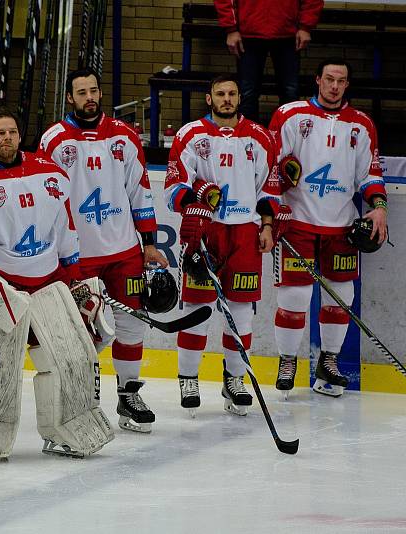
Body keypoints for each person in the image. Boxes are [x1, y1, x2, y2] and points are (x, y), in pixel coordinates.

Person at [0, 108, 114, 460]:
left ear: (19, 135)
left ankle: (65, 429)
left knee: (73, 357)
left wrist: (76, 279)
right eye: (0, 133)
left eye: (12, 132)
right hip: (1, 291)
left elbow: (64, 229)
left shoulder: (50, 173)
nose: (6, 138)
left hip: (48, 282)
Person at [39, 67, 168, 434]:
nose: (89, 97)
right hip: (78, 257)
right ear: (69, 98)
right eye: (81, 92)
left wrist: (149, 244)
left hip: (124, 252)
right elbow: (46, 199)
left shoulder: (124, 137)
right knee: (81, 332)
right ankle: (82, 402)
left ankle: (128, 394)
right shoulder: (54, 140)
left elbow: (140, 191)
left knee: (132, 323)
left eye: (94, 90)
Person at [165, 74, 284, 416]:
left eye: (232, 93)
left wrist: (266, 225)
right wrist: (195, 202)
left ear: (239, 97)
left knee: (241, 315)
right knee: (196, 313)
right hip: (207, 235)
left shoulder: (259, 137)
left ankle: (234, 379)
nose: (227, 99)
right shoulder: (191, 135)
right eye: (220, 93)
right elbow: (174, 185)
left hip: (245, 234)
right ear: (209, 98)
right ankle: (188, 377)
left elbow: (269, 189)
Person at [268, 58, 387, 398]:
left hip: (342, 226)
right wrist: (275, 207)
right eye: (329, 79)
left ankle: (328, 364)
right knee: (294, 296)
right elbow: (272, 165)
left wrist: (378, 207)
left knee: (341, 297)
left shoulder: (361, 124)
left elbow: (370, 175)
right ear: (318, 80)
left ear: (347, 85)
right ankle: (288, 360)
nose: (335, 86)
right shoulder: (290, 114)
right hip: (298, 223)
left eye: (342, 81)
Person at [214, 0, 323, 122]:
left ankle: (290, 138)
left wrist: (305, 27)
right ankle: (248, 138)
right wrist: (231, 29)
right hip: (249, 35)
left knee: (290, 92)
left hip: (287, 35)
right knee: (247, 94)